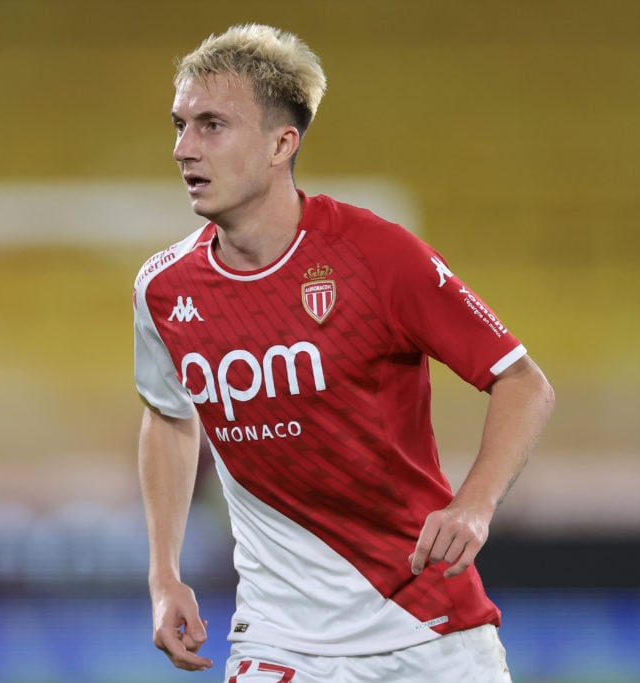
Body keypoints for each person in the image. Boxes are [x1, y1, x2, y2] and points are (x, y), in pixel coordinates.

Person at [133, 23, 554, 683]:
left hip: (428, 628)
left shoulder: (377, 256)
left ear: (282, 142)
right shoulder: (163, 289)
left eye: (212, 124)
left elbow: (524, 383)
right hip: (280, 638)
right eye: (179, 124)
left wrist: (474, 501)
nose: (184, 147)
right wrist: (164, 575)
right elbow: (168, 413)